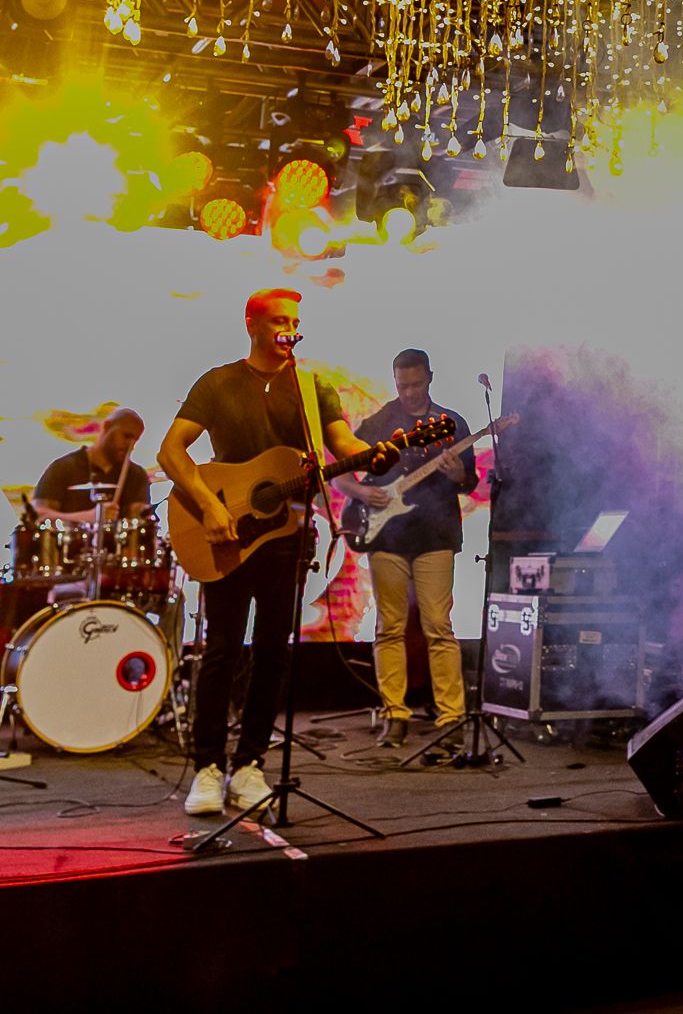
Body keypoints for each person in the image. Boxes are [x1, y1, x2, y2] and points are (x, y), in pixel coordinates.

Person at [157, 289, 399, 817]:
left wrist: (374, 456)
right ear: (252, 324)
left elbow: (341, 444)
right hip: (223, 532)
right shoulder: (218, 382)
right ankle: (206, 768)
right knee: (220, 651)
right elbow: (171, 451)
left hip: (287, 537)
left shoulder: (311, 388)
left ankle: (249, 767)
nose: (288, 327)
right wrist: (211, 508)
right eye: (278, 320)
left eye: (295, 320)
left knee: (273, 652)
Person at [334, 349, 477, 748]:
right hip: (386, 536)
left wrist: (458, 472)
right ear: (394, 381)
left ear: (430, 377)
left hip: (436, 535)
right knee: (389, 627)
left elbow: (469, 481)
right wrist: (364, 491)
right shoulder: (379, 423)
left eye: (416, 384)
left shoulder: (452, 424)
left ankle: (452, 715)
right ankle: (394, 713)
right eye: (403, 386)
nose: (410, 393)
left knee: (439, 626)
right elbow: (338, 476)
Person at [32, 406, 152, 524]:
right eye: (126, 436)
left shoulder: (136, 476)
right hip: (70, 543)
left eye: (135, 440)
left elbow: (139, 522)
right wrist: (90, 517)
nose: (130, 446)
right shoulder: (64, 468)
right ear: (107, 426)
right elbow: (38, 516)